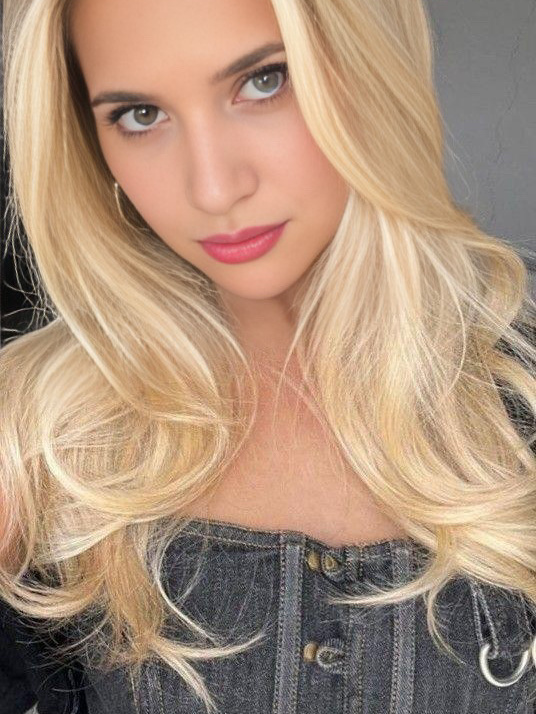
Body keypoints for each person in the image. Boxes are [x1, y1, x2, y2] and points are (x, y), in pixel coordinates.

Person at [1, 0, 536, 712]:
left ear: (371, 62)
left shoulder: (519, 389)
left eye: (264, 81)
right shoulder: (34, 441)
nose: (214, 188)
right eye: (140, 115)